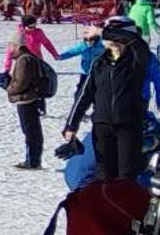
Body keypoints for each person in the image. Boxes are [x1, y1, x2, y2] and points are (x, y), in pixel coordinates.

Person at [62, 17, 151, 181]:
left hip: (128, 125)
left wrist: (103, 31)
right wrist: (71, 125)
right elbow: (84, 95)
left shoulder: (137, 60)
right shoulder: (99, 63)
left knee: (126, 175)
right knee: (103, 175)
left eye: (117, 37)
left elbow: (136, 42)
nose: (113, 41)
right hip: (102, 126)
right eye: (109, 38)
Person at [6, 35, 51, 170]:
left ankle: (32, 161)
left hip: (27, 99)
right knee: (32, 131)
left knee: (31, 131)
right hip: (29, 97)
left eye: (11, 46)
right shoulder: (27, 57)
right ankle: (32, 159)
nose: (10, 49)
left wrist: (9, 88)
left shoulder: (24, 60)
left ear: (17, 46)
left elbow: (21, 82)